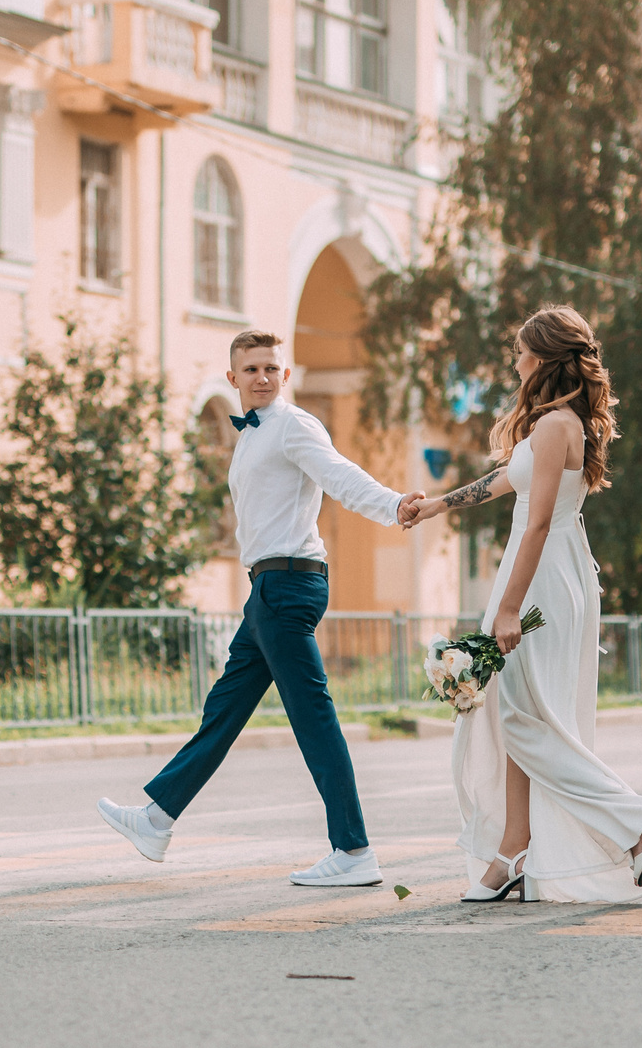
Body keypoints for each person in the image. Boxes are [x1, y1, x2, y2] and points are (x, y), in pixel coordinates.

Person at [96, 330, 425, 887]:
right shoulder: (252, 436)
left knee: (313, 718)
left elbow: (338, 475)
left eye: (272, 367)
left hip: (288, 584)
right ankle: (156, 818)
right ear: (233, 379)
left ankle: (354, 850)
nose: (263, 377)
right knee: (224, 709)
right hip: (267, 588)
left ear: (285, 374)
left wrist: (394, 505)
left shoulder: (294, 425)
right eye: (251, 369)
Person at [405, 305, 642, 902]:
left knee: (522, 717)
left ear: (543, 358)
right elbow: (505, 481)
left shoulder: (559, 425)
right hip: (548, 571)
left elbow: (534, 526)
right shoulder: (554, 426)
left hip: (541, 575)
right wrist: (438, 506)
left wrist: (507, 610)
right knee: (521, 714)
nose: (514, 360)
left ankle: (636, 821)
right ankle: (514, 849)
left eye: (519, 351)